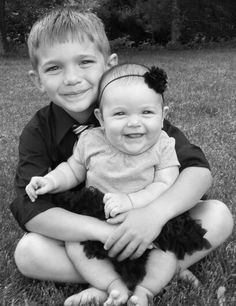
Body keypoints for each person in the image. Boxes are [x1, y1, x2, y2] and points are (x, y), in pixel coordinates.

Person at [10, 6, 233, 306]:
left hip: (151, 222)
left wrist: (152, 216)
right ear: (37, 79)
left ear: (109, 64)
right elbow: (30, 209)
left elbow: (197, 170)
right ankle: (140, 276)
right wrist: (103, 232)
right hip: (88, 230)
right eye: (54, 68)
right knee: (28, 253)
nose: (72, 78)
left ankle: (134, 279)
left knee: (218, 215)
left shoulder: (135, 110)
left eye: (85, 62)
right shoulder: (38, 131)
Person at [25, 63, 212, 306]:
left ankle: (145, 290)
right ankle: (111, 286)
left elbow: (165, 184)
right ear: (101, 118)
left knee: (167, 247)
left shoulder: (163, 144)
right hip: (100, 217)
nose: (134, 122)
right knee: (75, 242)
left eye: (146, 113)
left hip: (150, 221)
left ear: (163, 115)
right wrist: (50, 181)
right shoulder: (90, 140)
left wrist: (131, 202)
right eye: (120, 114)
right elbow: (73, 169)